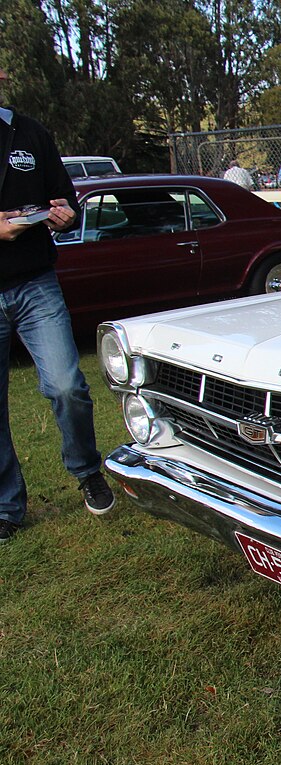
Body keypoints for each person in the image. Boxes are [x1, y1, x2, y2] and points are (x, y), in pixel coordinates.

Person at [0, 66, 115, 545]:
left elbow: (63, 199)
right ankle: (7, 506)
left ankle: (87, 470)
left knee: (67, 385)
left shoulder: (30, 133)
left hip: (35, 283)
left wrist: (64, 216)